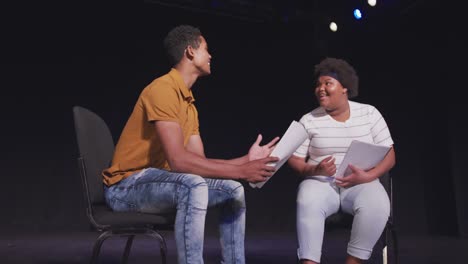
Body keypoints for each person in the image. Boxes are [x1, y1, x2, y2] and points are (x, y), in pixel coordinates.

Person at [102, 25, 280, 264]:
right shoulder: (163, 89)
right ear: (190, 52)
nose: (210, 55)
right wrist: (241, 171)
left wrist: (246, 161)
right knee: (193, 185)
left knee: (232, 190)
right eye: (206, 49)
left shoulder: (188, 105)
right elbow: (179, 161)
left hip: (158, 184)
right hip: (125, 187)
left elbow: (199, 163)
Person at [288, 57, 396, 264]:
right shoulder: (309, 119)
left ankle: (353, 261)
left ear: (345, 87)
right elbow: (295, 159)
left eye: (327, 83)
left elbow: (390, 155)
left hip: (360, 181)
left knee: (378, 204)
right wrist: (314, 169)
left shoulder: (369, 113)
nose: (320, 89)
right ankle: (309, 261)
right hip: (321, 182)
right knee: (307, 200)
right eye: (318, 85)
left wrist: (369, 175)